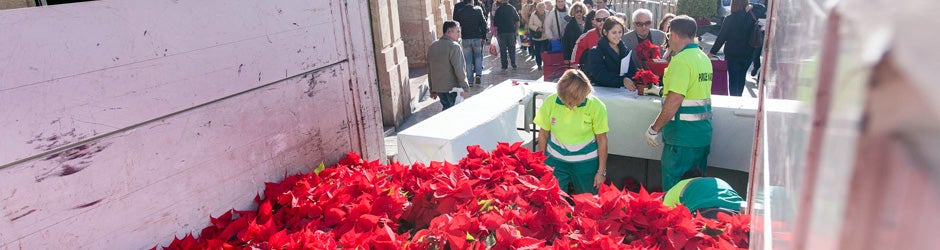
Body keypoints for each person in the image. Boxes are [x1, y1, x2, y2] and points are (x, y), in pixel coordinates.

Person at [645, 15, 714, 191]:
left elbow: (674, 100)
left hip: (681, 138)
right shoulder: (703, 58)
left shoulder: (681, 61)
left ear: (673, 35)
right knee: (695, 190)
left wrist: (654, 128)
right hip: (702, 135)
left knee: (675, 192)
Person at [535, 69, 609, 195]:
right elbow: (543, 134)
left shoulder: (597, 106)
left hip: (586, 163)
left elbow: (602, 140)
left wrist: (601, 172)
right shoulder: (550, 102)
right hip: (555, 161)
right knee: (554, 201)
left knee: (588, 203)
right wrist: (542, 164)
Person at [708, 0, 756, 97]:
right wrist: (752, 6)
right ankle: (739, 97)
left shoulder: (729, 19)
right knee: (742, 78)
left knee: (733, 80)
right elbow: (763, 9)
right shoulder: (751, 17)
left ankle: (735, 100)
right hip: (748, 54)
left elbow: (721, 37)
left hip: (732, 55)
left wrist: (712, 52)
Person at [663, 169, 744, 219]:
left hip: (705, 213)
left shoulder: (678, 186)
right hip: (739, 212)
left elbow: (665, 216)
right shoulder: (718, 181)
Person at [427, 21, 471, 111]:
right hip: (452, 88)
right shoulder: (454, 46)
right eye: (457, 31)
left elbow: (430, 70)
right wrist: (465, 87)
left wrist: (432, 89)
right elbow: (459, 69)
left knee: (446, 109)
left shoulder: (432, 46)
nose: (459, 34)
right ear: (449, 32)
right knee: (453, 112)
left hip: (438, 88)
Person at [586, 16, 638, 89]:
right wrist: (622, 80)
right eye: (614, 32)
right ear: (605, 32)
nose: (618, 35)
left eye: (620, 32)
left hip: (624, 92)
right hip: (603, 93)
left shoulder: (625, 50)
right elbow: (600, 75)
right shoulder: (596, 51)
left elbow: (632, 70)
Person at [454, 0, 488, 86]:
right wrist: (484, 37)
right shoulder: (478, 10)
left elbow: (456, 24)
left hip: (465, 38)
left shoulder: (460, 12)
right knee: (478, 56)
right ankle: (478, 74)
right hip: (477, 37)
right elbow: (484, 24)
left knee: (468, 60)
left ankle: (470, 81)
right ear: (472, 1)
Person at [493, 0, 521, 70]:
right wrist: (516, 30)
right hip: (511, 31)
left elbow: (495, 23)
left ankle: (504, 65)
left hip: (501, 32)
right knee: (512, 48)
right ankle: (513, 63)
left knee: (503, 49)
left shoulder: (498, 9)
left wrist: (495, 32)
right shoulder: (512, 8)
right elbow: (517, 20)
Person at [527, 1, 549, 70]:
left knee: (545, 50)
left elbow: (551, 23)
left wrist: (547, 28)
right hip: (537, 37)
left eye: (543, 9)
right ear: (537, 9)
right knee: (538, 51)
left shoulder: (548, 13)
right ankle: (539, 64)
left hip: (546, 36)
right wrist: (538, 28)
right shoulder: (534, 14)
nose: (541, 11)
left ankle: (546, 63)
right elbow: (530, 25)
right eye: (540, 9)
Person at [749, 0, 767, 77]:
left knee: (758, 53)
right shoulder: (759, 7)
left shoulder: (762, 8)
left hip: (763, 33)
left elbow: (763, 8)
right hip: (755, 32)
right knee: (754, 52)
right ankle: (756, 66)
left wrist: (752, 5)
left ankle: (758, 69)